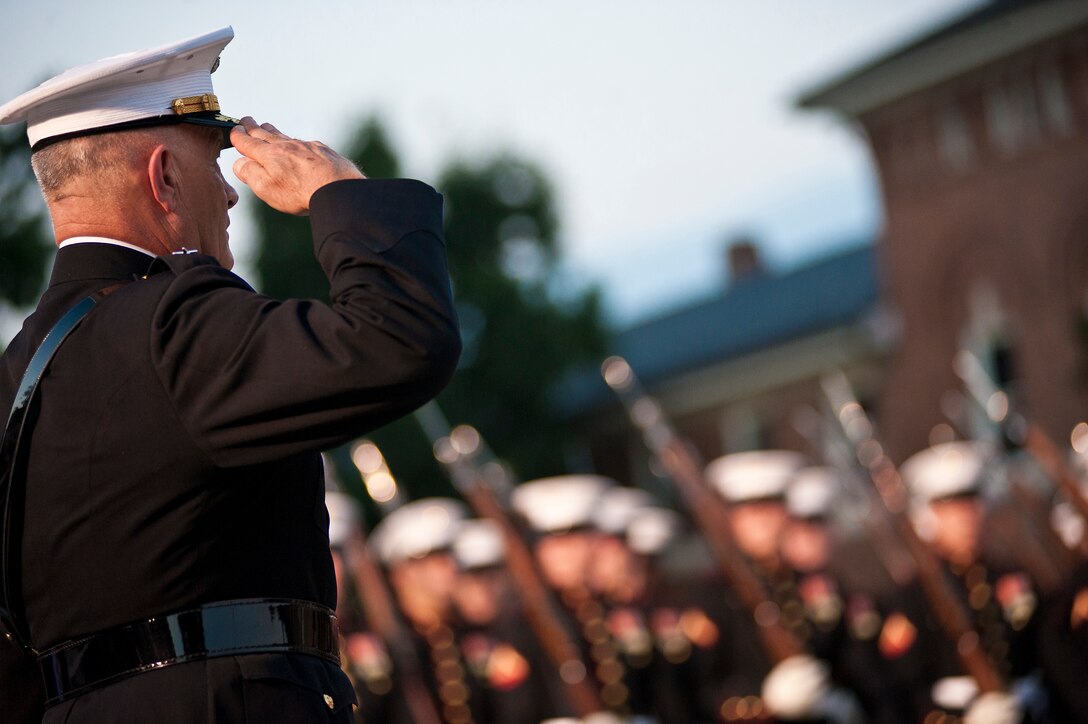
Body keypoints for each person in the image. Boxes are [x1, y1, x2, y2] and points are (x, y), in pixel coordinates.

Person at [0, 26, 460, 723]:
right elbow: (400, 338)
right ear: (163, 178)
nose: (232, 195)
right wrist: (344, 195)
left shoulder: (15, 376)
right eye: (213, 166)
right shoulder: (174, 324)